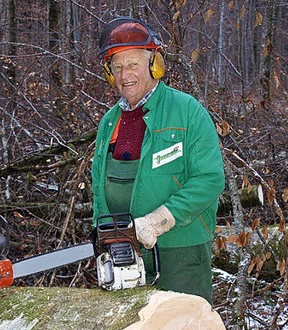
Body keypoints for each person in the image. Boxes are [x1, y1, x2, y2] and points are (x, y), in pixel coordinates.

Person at [91, 17, 225, 304]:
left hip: (180, 249)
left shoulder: (186, 111)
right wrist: (102, 236)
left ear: (155, 65)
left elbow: (209, 179)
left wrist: (160, 220)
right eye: (117, 67)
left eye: (133, 64)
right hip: (125, 249)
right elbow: (99, 187)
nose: (125, 75)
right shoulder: (109, 123)